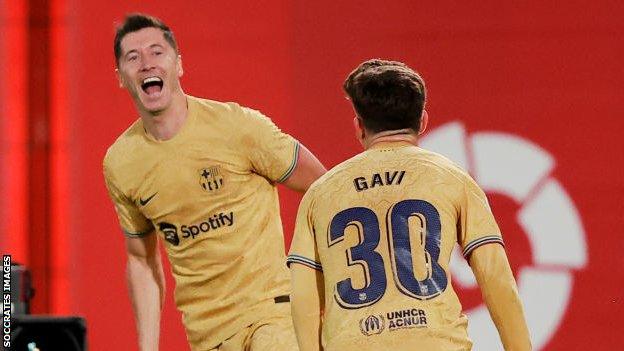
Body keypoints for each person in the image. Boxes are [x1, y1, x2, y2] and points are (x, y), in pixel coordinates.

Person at [103, 13, 326, 351]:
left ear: (179, 64)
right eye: (133, 57)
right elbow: (141, 260)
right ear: (121, 78)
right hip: (208, 337)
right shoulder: (121, 163)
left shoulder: (239, 127)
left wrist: (324, 282)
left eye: (156, 52)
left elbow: (325, 187)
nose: (147, 63)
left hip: (273, 315)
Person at [287, 59, 531, 351]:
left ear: (359, 126)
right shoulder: (453, 178)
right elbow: (495, 276)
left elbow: (304, 295)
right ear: (423, 121)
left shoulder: (321, 193)